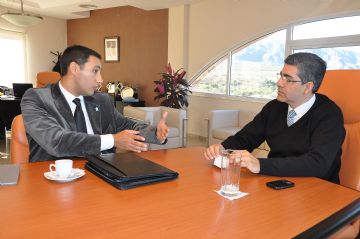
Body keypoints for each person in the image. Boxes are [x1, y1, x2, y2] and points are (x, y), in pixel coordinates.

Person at [204, 52, 345, 183]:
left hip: (317, 187)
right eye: (281, 75)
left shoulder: (329, 115)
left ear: (307, 87)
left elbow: (317, 163)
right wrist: (222, 148)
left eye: (288, 79)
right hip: (277, 180)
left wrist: (259, 164)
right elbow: (246, 138)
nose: (279, 83)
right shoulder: (274, 107)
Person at [21, 45, 169, 162]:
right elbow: (57, 141)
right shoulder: (37, 98)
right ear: (74, 69)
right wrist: (113, 140)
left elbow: (126, 126)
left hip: (101, 174)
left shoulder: (101, 100)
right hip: (54, 180)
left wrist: (156, 133)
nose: (100, 80)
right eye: (95, 71)